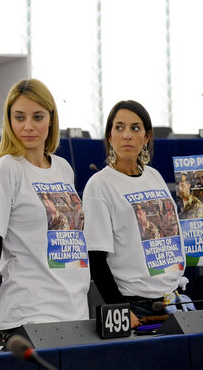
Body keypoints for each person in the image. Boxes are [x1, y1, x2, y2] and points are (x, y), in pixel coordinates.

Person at [0, 79, 90, 341]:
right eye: (19, 117)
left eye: (37, 117)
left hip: (75, 310)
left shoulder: (63, 168)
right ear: (9, 121)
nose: (28, 126)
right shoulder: (5, 169)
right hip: (29, 314)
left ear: (51, 120)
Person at [83, 100, 186, 325]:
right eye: (119, 128)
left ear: (146, 137)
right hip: (135, 306)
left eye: (135, 128)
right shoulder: (99, 185)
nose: (127, 135)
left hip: (173, 300)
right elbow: (96, 259)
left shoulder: (155, 176)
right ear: (110, 136)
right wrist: (119, 307)